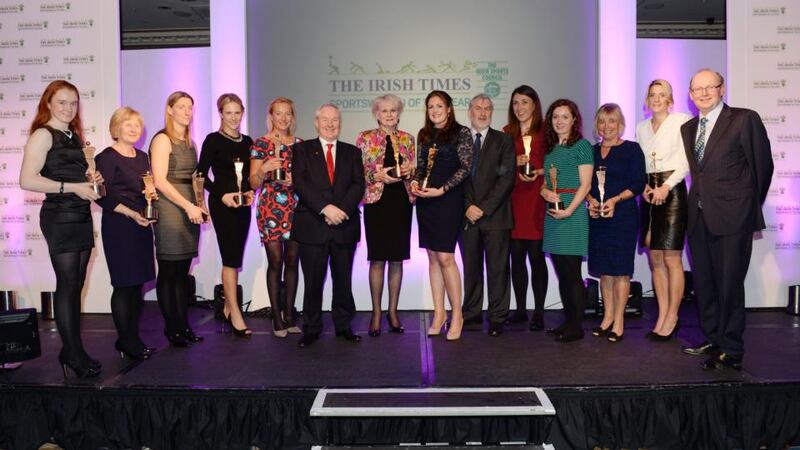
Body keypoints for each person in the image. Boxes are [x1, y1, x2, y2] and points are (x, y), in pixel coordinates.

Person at [680, 69, 773, 370]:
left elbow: (763, 167)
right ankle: (714, 338)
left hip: (734, 218)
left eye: (710, 87)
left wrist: (746, 207)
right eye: (698, 89)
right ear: (691, 95)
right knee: (705, 284)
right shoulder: (689, 128)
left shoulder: (745, 119)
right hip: (698, 217)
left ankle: (732, 347)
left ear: (722, 89)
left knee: (729, 283)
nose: (704, 93)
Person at [19, 80, 103, 378]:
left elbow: (78, 178)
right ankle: (73, 354)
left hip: (80, 214)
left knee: (76, 286)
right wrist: (72, 187)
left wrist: (93, 179)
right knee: (67, 287)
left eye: (73, 102)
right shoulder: (43, 134)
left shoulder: (75, 137)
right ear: (49, 104)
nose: (69, 108)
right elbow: (27, 180)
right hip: (59, 216)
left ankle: (71, 350)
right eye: (62, 102)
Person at [292, 103, 365, 348]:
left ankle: (344, 326)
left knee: (342, 279)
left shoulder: (352, 152)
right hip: (313, 225)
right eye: (325, 119)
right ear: (316, 122)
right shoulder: (302, 150)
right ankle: (311, 328)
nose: (330, 123)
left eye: (335, 119)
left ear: (339, 123)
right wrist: (326, 208)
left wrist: (341, 211)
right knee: (313, 281)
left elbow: (358, 185)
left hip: (344, 225)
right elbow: (300, 184)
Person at [95, 107, 157, 360]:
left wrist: (150, 199)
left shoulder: (142, 157)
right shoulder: (106, 157)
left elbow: (146, 190)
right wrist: (131, 213)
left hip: (142, 226)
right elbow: (102, 196)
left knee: (138, 286)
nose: (133, 129)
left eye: (137, 125)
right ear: (116, 128)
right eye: (127, 124)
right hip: (120, 227)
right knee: (124, 285)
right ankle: (126, 340)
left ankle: (132, 339)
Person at [411, 90, 472, 341]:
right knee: (433, 257)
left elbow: (466, 167)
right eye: (430, 107)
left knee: (446, 257)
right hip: (426, 201)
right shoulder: (424, 134)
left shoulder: (462, 133)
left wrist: (443, 189)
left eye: (439, 106)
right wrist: (415, 183)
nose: (434, 110)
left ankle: (457, 314)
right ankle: (439, 313)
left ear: (449, 108)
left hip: (448, 199)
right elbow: (422, 166)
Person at [635, 79, 691, 341]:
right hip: (649, 194)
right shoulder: (641, 128)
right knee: (655, 258)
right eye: (652, 95)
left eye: (662, 95)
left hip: (673, 192)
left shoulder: (681, 120)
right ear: (647, 100)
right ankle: (661, 315)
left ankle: (673, 316)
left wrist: (666, 187)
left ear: (670, 99)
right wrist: (645, 187)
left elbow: (684, 162)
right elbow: (642, 164)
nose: (656, 99)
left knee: (671, 258)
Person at [150, 91, 207, 348]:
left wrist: (201, 205)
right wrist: (187, 206)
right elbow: (160, 181)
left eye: (190, 107)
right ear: (170, 109)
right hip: (171, 207)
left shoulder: (191, 143)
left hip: (189, 207)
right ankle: (171, 329)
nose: (187, 111)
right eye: (182, 107)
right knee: (169, 271)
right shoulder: (162, 140)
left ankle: (183, 326)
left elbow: (195, 179)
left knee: (183, 272)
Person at [585, 104, 646, 343]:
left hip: (623, 217)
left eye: (611, 121)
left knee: (620, 271)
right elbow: (585, 183)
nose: (606, 126)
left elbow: (638, 182)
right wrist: (590, 201)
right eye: (602, 121)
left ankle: (619, 320)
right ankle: (607, 317)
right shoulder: (590, 151)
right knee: (604, 271)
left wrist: (614, 200)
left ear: (620, 124)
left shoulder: (632, 150)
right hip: (598, 217)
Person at [356, 94, 416, 337]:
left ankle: (392, 311)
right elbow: (358, 173)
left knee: (397, 259)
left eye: (393, 110)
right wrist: (376, 176)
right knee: (378, 258)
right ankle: (376, 313)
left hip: (401, 202)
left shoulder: (408, 139)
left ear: (398, 113)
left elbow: (412, 174)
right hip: (376, 203)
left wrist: (412, 172)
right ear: (376, 114)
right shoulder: (365, 138)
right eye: (384, 111)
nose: (389, 114)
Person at [198, 93, 254, 338]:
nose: (233, 117)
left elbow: (251, 176)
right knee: (230, 258)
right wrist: (222, 195)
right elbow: (200, 176)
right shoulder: (212, 140)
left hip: (243, 205)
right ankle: (236, 313)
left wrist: (251, 191)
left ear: (242, 113)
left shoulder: (248, 141)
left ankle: (229, 306)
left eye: (237, 112)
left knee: (236, 258)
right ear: (220, 113)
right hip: (223, 205)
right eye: (228, 112)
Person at [460, 94, 515, 336]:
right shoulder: (459, 140)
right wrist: (467, 206)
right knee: (471, 268)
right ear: (470, 111)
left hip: (496, 216)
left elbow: (506, 179)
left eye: (487, 108)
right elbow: (454, 177)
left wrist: (483, 208)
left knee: (498, 269)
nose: (482, 112)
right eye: (478, 108)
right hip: (466, 216)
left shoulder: (504, 140)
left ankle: (497, 317)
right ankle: (471, 315)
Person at [540, 99, 593, 343]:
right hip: (553, 215)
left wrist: (570, 210)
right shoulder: (550, 148)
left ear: (574, 119)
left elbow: (586, 185)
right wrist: (545, 192)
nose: (559, 121)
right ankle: (568, 321)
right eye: (555, 117)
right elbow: (546, 183)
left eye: (564, 116)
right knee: (562, 271)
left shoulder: (582, 146)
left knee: (572, 273)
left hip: (572, 216)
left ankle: (576, 326)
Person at [249, 97, 303, 338]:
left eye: (287, 114)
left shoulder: (300, 145)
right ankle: (276, 318)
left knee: (293, 261)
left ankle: (290, 314)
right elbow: (252, 182)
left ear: (292, 117)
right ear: (271, 116)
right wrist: (264, 169)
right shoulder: (261, 143)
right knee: (276, 261)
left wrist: (296, 181)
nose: (283, 118)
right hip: (270, 207)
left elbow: (308, 180)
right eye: (278, 114)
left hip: (296, 207)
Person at [503, 85, 549, 330]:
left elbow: (553, 164)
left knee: (537, 258)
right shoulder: (506, 133)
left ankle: (539, 312)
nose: (519, 108)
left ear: (534, 105)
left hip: (538, 199)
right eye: (515, 103)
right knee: (516, 259)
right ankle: (520, 309)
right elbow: (498, 169)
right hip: (513, 201)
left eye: (524, 102)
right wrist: (513, 161)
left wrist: (538, 171)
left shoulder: (546, 131)